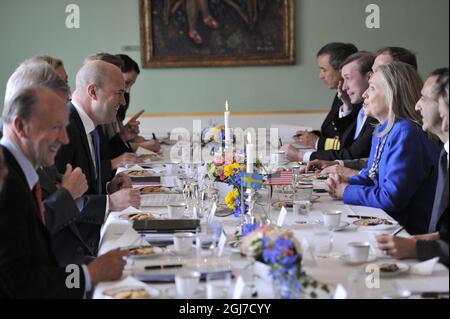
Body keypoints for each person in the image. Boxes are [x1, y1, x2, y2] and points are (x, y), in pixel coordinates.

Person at [0, 86, 128, 298]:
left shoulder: (18, 171)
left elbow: (38, 262)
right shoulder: (7, 183)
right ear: (20, 126)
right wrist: (87, 274)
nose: (65, 139)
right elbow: (19, 283)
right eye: (56, 127)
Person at [326, 62, 441, 235]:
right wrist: (344, 182)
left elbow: (391, 199)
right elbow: (372, 175)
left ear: (391, 94)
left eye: (371, 88)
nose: (365, 93)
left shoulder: (405, 132)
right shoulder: (383, 129)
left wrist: (346, 191)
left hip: (409, 233)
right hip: (387, 224)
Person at [305, 47, 420, 177]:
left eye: (380, 71)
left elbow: (390, 191)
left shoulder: (405, 130)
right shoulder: (381, 124)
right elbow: (373, 165)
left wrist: (347, 189)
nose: (372, 76)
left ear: (400, 77)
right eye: (373, 70)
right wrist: (338, 165)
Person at [376, 68, 449, 266]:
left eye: (425, 98)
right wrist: (425, 239)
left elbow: (392, 197)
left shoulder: (407, 132)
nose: (417, 106)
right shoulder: (445, 153)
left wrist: (416, 248)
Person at [283, 52, 378, 162]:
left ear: (369, 77)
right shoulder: (361, 107)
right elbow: (344, 144)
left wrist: (302, 156)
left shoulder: (377, 113)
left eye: (348, 78)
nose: (344, 86)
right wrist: (347, 105)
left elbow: (353, 154)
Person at [294, 42, 358, 150]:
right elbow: (332, 132)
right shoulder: (340, 95)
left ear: (342, 69)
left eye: (324, 70)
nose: (321, 76)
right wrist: (313, 136)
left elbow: (350, 144)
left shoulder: (359, 100)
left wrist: (317, 142)